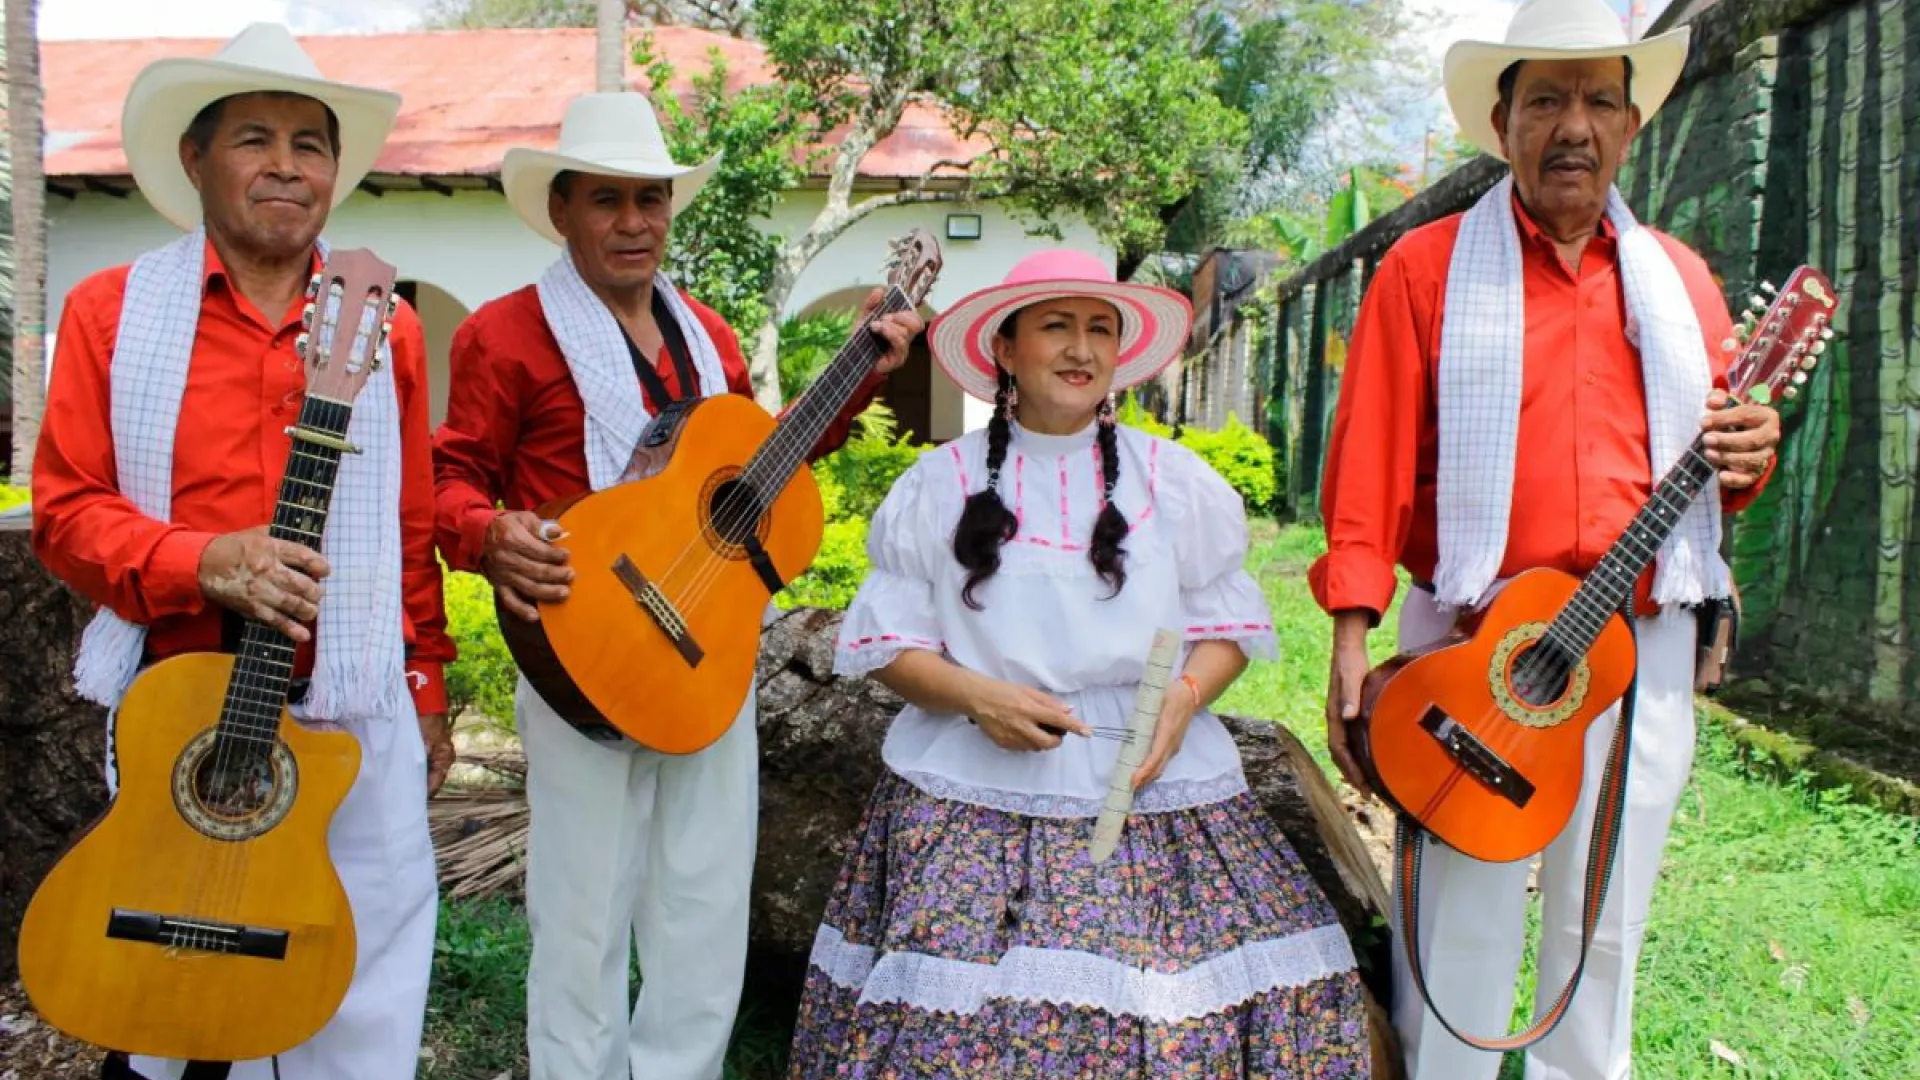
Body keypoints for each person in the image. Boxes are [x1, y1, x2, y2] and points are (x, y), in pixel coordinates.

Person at [1312, 1, 1783, 1078]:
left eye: (1599, 101)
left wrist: (1751, 453)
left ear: (1629, 126)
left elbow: (1717, 475)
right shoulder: (1425, 270)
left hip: (1640, 644)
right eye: (1547, 100)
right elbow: (1368, 462)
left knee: (1603, 924)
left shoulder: (1684, 283)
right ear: (1502, 119)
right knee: (1461, 921)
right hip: (1479, 642)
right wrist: (1349, 634)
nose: (1574, 125)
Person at [786, 248, 1373, 1079]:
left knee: (1190, 1001)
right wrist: (979, 698)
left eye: (1101, 329)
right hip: (974, 789)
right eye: (1055, 326)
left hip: (1149, 782)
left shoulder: (1174, 482)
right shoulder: (938, 483)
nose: (1081, 350)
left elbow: (1227, 623)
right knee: (961, 1023)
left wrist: (1185, 696)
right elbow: (887, 646)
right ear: (1005, 349)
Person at [431, 91, 922, 1080]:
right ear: (561, 208)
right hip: (581, 647)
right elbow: (447, 479)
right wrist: (487, 533)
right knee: (584, 907)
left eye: (650, 200)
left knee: (704, 897)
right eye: (607, 200)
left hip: (709, 642)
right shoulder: (504, 334)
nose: (633, 222)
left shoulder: (708, 336)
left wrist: (865, 367)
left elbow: (753, 467)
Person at [30, 22, 452, 1080]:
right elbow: (65, 509)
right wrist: (200, 559)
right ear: (195, 159)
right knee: (170, 988)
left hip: (354, 698)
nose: (286, 165)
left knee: (362, 977)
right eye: (254, 139)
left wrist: (426, 678)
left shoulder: (383, 325)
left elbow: (408, 521)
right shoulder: (112, 312)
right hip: (181, 695)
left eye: (310, 144)